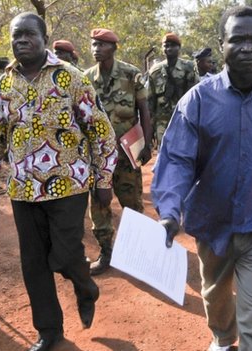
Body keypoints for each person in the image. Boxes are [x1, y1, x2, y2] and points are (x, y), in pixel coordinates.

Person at [152, 6, 252, 350]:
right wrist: (170, 211)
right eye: (238, 39)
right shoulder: (198, 100)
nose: (247, 47)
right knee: (215, 298)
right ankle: (222, 338)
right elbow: (177, 159)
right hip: (213, 222)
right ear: (222, 45)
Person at [0, 12, 117, 351]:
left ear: (43, 37)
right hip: (23, 189)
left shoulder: (70, 79)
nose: (21, 40)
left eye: (28, 34)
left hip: (68, 183)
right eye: (16, 35)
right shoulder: (1, 87)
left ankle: (86, 287)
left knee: (68, 255)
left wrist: (104, 179)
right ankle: (49, 330)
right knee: (34, 263)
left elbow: (100, 130)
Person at [84, 28, 153, 275]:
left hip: (126, 154)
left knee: (132, 203)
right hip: (98, 157)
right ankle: (106, 253)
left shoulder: (131, 74)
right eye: (94, 45)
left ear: (113, 48)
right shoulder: (85, 78)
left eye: (102, 45)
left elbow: (143, 110)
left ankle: (139, 253)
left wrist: (146, 143)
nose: (96, 49)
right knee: (99, 205)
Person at [147, 32, 199, 145]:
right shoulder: (155, 71)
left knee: (184, 151)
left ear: (179, 48)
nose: (169, 48)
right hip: (162, 121)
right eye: (166, 45)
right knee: (164, 153)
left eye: (172, 45)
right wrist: (150, 128)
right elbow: (150, 101)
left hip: (184, 119)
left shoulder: (188, 67)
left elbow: (196, 95)